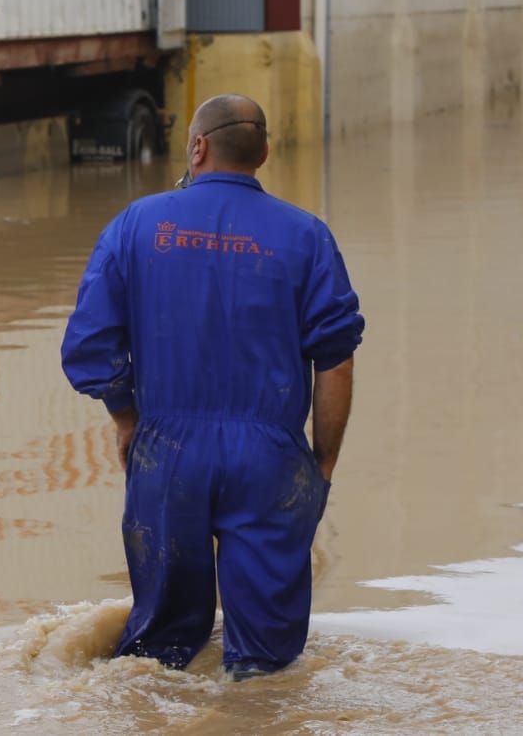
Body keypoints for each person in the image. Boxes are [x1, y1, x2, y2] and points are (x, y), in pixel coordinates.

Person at [61, 93, 363, 678]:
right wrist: (321, 463)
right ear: (265, 153)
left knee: (158, 658)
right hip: (269, 459)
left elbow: (91, 346)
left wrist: (127, 419)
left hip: (166, 452)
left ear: (197, 147)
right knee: (267, 665)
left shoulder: (137, 225)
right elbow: (337, 361)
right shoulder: (306, 236)